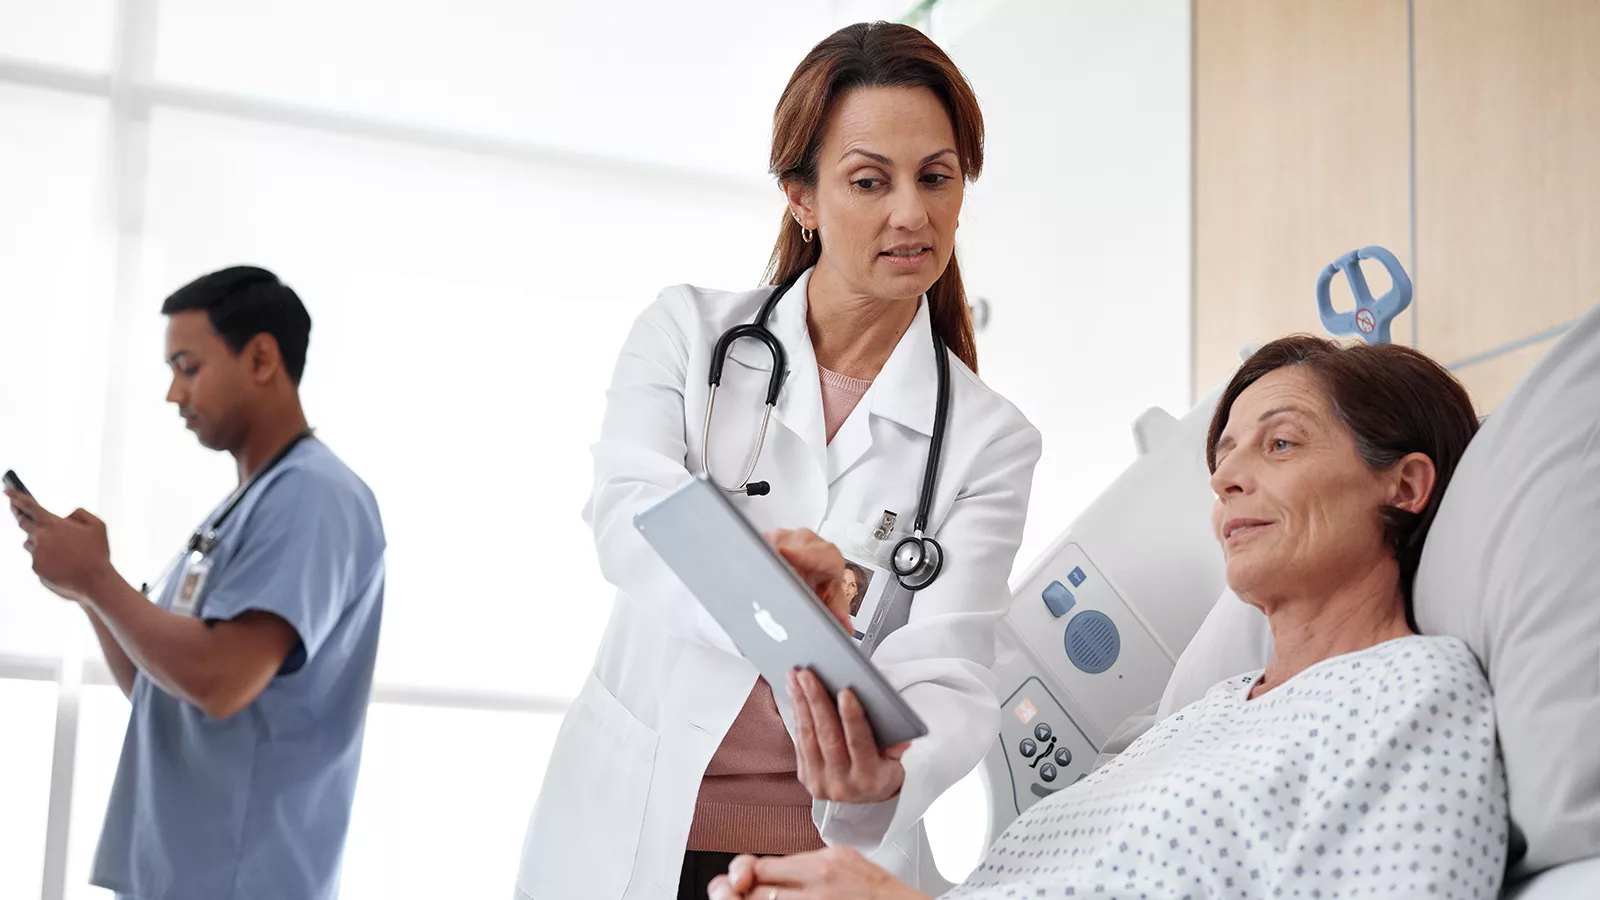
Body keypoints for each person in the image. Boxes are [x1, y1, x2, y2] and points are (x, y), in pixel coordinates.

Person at [513, 21, 1042, 900]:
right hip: (629, 827)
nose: (911, 212)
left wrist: (888, 773)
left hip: (825, 862)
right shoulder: (686, 334)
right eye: (869, 181)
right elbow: (630, 514)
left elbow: (949, 665)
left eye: (936, 177)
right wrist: (774, 595)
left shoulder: (989, 438)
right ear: (801, 195)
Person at [710, 335, 1511, 900]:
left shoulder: (1417, 694)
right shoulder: (1199, 717)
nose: (1228, 476)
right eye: (1223, 455)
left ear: (1404, 486)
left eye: (1280, 445)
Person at [5, 266, 386, 900]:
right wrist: (88, 593)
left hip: (246, 879)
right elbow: (162, 689)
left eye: (188, 366)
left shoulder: (316, 497)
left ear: (261, 357)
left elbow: (219, 681)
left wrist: (100, 580)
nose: (173, 394)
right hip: (184, 875)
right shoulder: (244, 507)